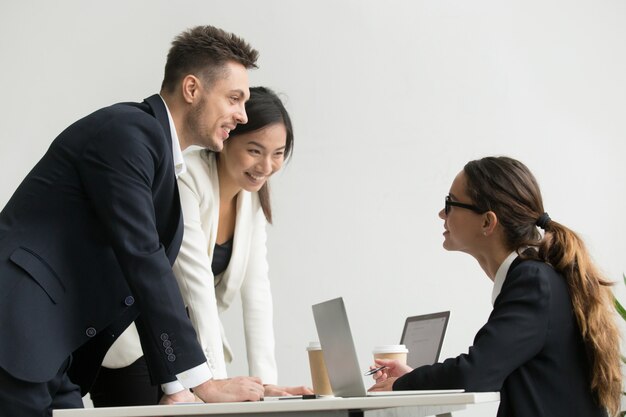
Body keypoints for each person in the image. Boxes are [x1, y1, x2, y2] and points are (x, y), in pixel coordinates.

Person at [0, 25, 267, 417]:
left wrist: (176, 385)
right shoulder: (129, 133)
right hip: (16, 331)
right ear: (192, 89)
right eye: (234, 99)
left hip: (52, 355)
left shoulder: (156, 159)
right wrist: (202, 381)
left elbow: (138, 279)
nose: (242, 116)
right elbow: (142, 258)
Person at [89, 87, 313, 406]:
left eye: (278, 153)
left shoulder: (251, 204)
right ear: (227, 139)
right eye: (254, 150)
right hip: (135, 341)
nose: (266, 166)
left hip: (188, 351)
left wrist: (267, 387)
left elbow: (257, 295)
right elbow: (197, 285)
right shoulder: (187, 177)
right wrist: (216, 386)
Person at [369, 156, 622, 417]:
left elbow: (474, 373)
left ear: (488, 222)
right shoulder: (534, 278)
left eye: (450, 203)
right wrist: (415, 380)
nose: (442, 214)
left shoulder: (532, 282)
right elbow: (482, 368)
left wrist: (403, 384)